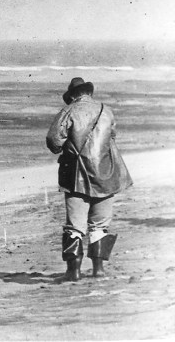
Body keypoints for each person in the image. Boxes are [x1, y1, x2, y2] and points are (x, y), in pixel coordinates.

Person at [46, 77, 133, 281]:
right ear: (89, 92)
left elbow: (53, 140)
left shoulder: (69, 111)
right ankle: (99, 270)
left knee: (75, 225)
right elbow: (112, 136)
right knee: (100, 224)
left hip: (77, 175)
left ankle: (73, 271)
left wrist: (63, 148)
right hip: (106, 173)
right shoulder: (106, 110)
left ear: (73, 95)